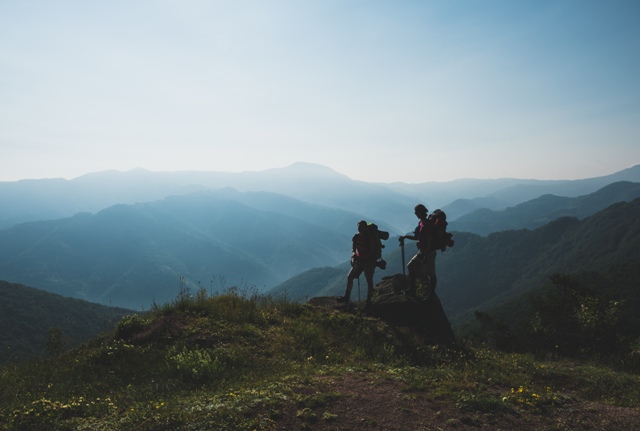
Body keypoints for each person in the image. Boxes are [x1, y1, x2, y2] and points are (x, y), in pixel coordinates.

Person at [399, 204, 437, 300]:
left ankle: (431, 294)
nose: (415, 214)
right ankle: (412, 289)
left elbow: (429, 240)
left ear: (421, 212)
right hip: (422, 251)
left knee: (431, 273)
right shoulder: (421, 223)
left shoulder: (427, 224)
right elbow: (417, 237)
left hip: (429, 252)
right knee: (410, 266)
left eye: (416, 212)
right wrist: (405, 237)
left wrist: (426, 255)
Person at [338, 220, 378, 309]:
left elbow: (372, 252)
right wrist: (353, 255)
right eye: (359, 227)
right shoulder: (356, 237)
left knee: (369, 281)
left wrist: (360, 257)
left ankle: (368, 301)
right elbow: (353, 249)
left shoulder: (369, 238)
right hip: (360, 261)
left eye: (362, 227)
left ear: (366, 228)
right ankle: (346, 297)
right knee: (350, 277)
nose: (360, 229)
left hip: (369, 262)